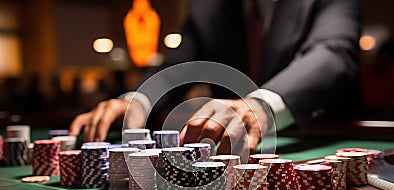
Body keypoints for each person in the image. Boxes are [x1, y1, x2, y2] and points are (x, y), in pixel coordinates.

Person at [70, 0, 361, 156]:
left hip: (319, 136)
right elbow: (180, 64)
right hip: (228, 153)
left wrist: (259, 107)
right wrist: (137, 100)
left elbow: (333, 53)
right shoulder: (207, 6)